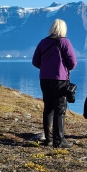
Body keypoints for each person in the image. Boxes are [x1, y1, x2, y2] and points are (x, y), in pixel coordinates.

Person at [32, 18, 77, 148]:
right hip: (60, 80)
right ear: (63, 29)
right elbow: (73, 62)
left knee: (48, 108)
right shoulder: (65, 42)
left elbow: (35, 62)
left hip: (44, 79)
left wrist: (46, 68)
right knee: (60, 109)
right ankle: (59, 141)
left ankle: (49, 139)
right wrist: (64, 68)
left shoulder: (43, 42)